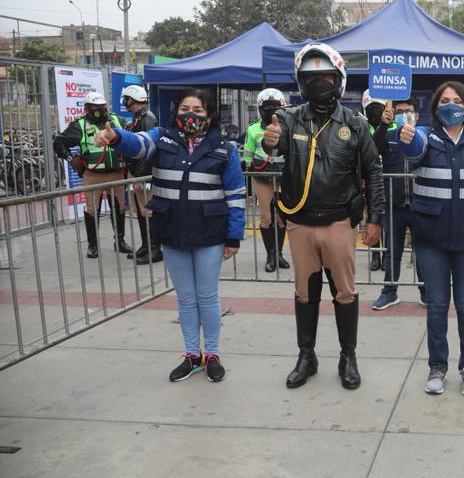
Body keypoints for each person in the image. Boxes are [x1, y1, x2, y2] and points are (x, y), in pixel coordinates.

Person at [93, 88, 244, 382]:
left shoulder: (225, 149)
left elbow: (236, 196)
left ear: (209, 116)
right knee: (186, 299)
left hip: (209, 235)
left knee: (208, 297)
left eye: (198, 111)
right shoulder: (160, 139)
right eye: (185, 109)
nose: (190, 115)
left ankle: (212, 354)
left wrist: (233, 237)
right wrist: (115, 138)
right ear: (176, 113)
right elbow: (136, 145)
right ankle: (192, 355)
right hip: (172, 232)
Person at [262, 42, 384, 391]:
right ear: (301, 82)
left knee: (344, 292)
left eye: (326, 77)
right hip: (300, 224)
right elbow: (276, 140)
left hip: (338, 224)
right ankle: (307, 355)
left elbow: (373, 171)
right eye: (311, 78)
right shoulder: (288, 118)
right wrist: (272, 140)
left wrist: (375, 218)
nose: (319, 83)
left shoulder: (355, 124)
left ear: (339, 79)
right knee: (305, 293)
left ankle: (348, 356)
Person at [397, 81, 464, 397]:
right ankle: (437, 367)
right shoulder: (425, 138)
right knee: (436, 306)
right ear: (435, 107)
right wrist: (404, 138)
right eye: (444, 100)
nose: (450, 104)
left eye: (457, 99)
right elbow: (412, 150)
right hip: (430, 237)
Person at [53, 91, 133, 259]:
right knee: (92, 210)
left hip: (116, 173)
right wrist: (71, 158)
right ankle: (93, 245)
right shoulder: (79, 125)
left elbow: (130, 139)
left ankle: (120, 241)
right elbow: (59, 142)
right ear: (87, 108)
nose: (100, 110)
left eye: (102, 107)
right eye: (95, 108)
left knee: (119, 208)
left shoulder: (117, 120)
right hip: (93, 175)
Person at [371, 96, 425, 310]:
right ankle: (389, 292)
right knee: (392, 253)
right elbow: (372, 150)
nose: (405, 115)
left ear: (417, 115)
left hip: (420, 206)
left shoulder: (425, 138)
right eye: (400, 112)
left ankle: (426, 291)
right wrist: (383, 125)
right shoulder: (389, 135)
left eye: (408, 111)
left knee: (423, 252)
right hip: (394, 206)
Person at [242, 88, 290, 273]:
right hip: (262, 177)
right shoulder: (253, 129)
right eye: (267, 107)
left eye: (275, 107)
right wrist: (249, 171)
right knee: (266, 217)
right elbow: (247, 154)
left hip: (284, 176)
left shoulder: (286, 128)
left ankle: (279, 254)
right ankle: (270, 255)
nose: (271, 110)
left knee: (281, 217)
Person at [120, 84, 163, 265]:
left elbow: (147, 150)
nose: (124, 102)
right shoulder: (137, 119)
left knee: (148, 210)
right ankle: (146, 245)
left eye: (126, 98)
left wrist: (139, 176)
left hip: (144, 173)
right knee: (139, 210)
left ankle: (154, 248)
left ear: (131, 99)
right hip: (136, 172)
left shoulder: (147, 118)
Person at [361, 91, 392, 273]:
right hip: (371, 180)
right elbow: (371, 150)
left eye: (378, 108)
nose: (374, 112)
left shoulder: (394, 126)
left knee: (388, 219)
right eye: (371, 108)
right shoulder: (361, 126)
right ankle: (375, 255)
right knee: (372, 216)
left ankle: (387, 254)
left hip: (389, 177)